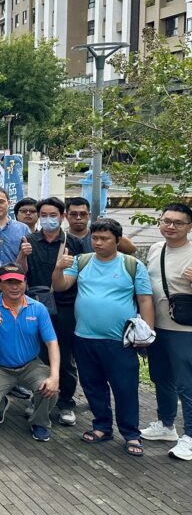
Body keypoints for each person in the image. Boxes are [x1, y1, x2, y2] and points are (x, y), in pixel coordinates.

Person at [53, 218, 154, 457]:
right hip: (85, 337)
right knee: (92, 385)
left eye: (104, 239)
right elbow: (60, 286)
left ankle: (131, 433)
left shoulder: (131, 265)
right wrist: (58, 268)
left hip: (119, 341)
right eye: (95, 238)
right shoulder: (82, 261)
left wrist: (148, 333)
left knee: (125, 388)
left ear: (117, 240)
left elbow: (145, 299)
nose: (98, 243)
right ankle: (102, 426)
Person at [15, 197, 84, 426]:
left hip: (65, 306)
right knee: (38, 355)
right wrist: (23, 255)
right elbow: (21, 272)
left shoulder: (73, 243)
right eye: (43, 215)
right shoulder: (29, 240)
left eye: (53, 215)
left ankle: (65, 402)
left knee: (64, 356)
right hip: (35, 304)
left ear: (62, 217)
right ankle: (39, 399)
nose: (48, 219)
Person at [0, 264, 60, 442]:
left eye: (18, 282)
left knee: (50, 388)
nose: (14, 287)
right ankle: (1, 406)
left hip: (31, 365)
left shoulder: (38, 308)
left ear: (25, 283)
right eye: (8, 282)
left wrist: (55, 375)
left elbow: (52, 342)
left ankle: (40, 422)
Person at [143, 203, 192, 460]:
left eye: (178, 223)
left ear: (189, 226)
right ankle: (166, 424)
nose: (170, 226)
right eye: (166, 221)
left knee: (187, 384)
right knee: (161, 377)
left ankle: (190, 436)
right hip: (157, 326)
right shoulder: (155, 249)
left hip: (185, 329)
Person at [64, 197, 138, 255]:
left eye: (83, 214)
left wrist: (109, 229)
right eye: (73, 214)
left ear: (89, 215)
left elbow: (131, 249)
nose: (78, 218)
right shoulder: (61, 239)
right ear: (66, 216)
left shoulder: (99, 234)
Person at [0, 186, 30, 265]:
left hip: (15, 275)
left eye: (1, 202)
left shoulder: (23, 228)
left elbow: (30, 259)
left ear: (9, 203)